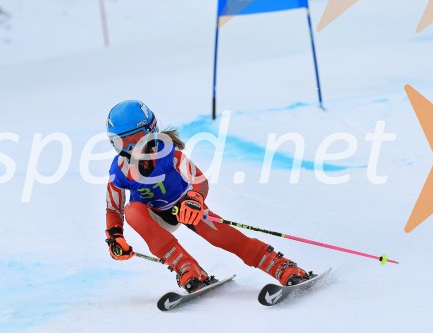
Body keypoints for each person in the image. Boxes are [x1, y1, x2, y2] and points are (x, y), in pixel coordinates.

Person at [103, 100, 313, 293]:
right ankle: (187, 268)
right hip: (153, 216)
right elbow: (114, 208)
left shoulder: (168, 153)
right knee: (132, 211)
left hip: (186, 207)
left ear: (151, 131)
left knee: (221, 236)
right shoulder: (119, 169)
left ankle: (280, 266)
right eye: (122, 143)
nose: (132, 148)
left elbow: (199, 180)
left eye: (136, 139)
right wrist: (115, 236)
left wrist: (195, 199)